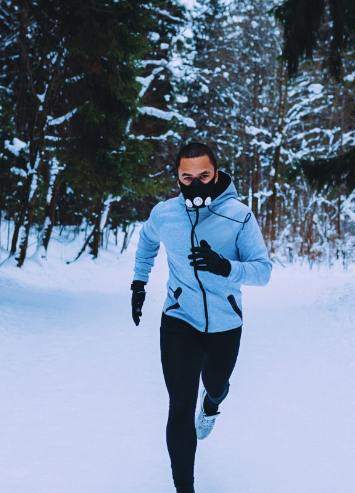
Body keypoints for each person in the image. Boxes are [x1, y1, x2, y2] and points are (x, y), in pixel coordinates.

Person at [130, 141, 273, 493]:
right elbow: (147, 241)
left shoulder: (239, 215)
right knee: (179, 406)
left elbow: (263, 271)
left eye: (203, 175)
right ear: (177, 177)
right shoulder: (165, 214)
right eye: (186, 177)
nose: (195, 184)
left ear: (216, 173)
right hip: (179, 320)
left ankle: (212, 404)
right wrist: (139, 282)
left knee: (216, 385)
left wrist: (226, 267)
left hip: (225, 324)